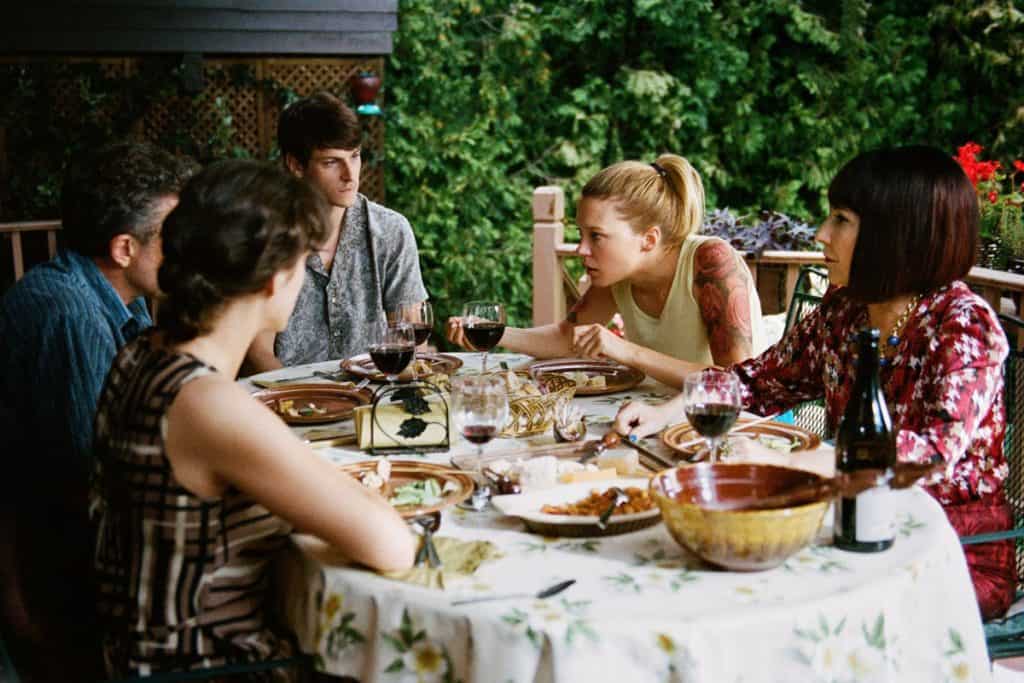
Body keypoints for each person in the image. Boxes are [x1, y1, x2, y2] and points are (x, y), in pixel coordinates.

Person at [614, 145, 1014, 619]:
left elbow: (930, 454)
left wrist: (800, 464)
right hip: (844, 518)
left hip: (946, 546)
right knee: (711, 570)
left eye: (841, 220)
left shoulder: (963, 325)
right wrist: (669, 410)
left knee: (764, 597)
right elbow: (758, 380)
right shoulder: (845, 309)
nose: (822, 233)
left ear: (897, 233)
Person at [91, 159, 416, 679]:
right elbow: (390, 544)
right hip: (203, 667)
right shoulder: (208, 403)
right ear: (273, 280)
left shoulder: (142, 354)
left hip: (131, 657)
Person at [0, 141, 196, 680]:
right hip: (57, 583)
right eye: (173, 239)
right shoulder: (70, 315)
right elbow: (99, 481)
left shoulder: (114, 300)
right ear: (125, 248)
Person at [446, 154, 766, 388]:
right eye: (581, 235)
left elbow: (736, 382)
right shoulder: (617, 275)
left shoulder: (712, 262)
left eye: (596, 236)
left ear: (648, 239)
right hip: (658, 414)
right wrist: (496, 333)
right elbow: (565, 337)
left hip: (736, 428)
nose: (580, 250)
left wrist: (625, 351)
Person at [246, 91, 428, 371]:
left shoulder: (391, 232)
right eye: (331, 162)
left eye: (354, 156)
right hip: (290, 403)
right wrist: (306, 404)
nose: (350, 174)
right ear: (295, 165)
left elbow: (412, 343)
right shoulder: (266, 235)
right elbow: (259, 353)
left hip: (374, 396)